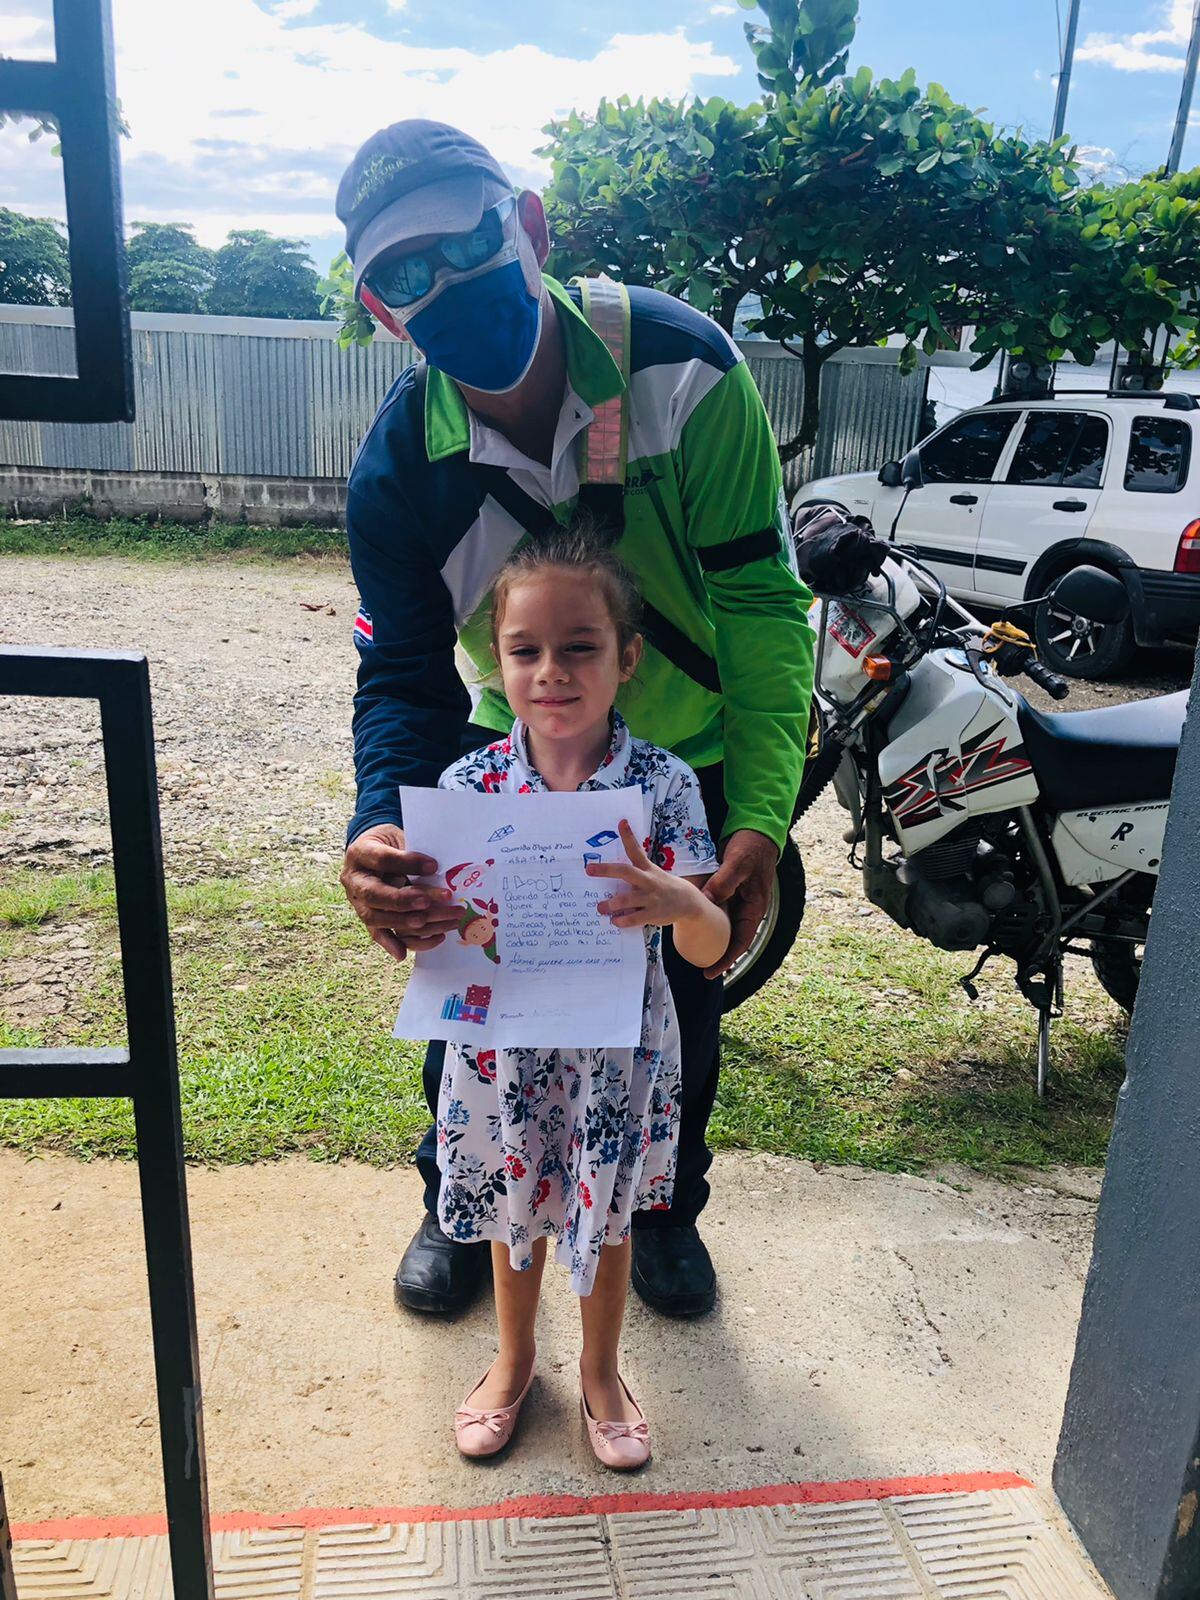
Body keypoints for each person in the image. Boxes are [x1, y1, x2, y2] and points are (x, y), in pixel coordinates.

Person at [335, 118, 815, 1320]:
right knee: (478, 996)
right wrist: (381, 828)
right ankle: (460, 1196)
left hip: (683, 753)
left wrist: (756, 813)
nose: (441, 286)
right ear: (380, 310)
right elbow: (402, 679)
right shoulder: (400, 475)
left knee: (678, 1015)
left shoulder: (685, 371)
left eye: (465, 244)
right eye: (404, 275)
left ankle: (665, 1209)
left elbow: (761, 600)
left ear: (531, 228)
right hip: (518, 763)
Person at [438, 529, 729, 1467]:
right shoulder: (468, 787)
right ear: (497, 660)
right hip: (506, 1050)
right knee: (515, 1201)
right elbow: (439, 942)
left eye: (580, 646)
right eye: (525, 650)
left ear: (627, 657)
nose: (551, 671)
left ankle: (601, 1370)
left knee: (604, 1215)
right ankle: (514, 1360)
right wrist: (449, 926)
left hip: (618, 1051)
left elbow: (708, 946)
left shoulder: (663, 787)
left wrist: (685, 899)